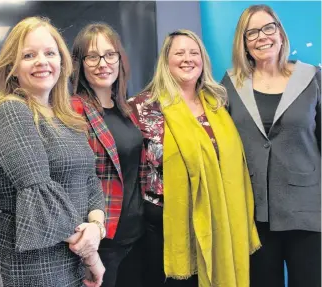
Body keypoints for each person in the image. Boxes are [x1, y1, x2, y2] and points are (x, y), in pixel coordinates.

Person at [128, 30, 261, 287]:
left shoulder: (218, 103)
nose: (187, 59)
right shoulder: (143, 107)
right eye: (179, 53)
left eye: (194, 52)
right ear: (165, 62)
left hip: (220, 218)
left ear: (203, 59)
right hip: (170, 225)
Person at [0, 16, 106, 287]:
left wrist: (97, 226)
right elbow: (40, 196)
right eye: (28, 55)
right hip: (36, 266)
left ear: (62, 61)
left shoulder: (67, 117)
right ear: (12, 67)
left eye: (50, 53)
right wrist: (91, 254)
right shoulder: (11, 111)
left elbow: (89, 181)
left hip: (74, 258)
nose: (42, 61)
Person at [221, 4, 321, 287]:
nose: (262, 37)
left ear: (280, 32)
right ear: (243, 42)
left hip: (307, 212)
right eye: (251, 32)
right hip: (253, 212)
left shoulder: (311, 77)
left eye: (268, 28)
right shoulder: (230, 83)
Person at [70, 23, 147, 287]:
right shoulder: (74, 111)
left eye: (109, 54)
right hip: (103, 242)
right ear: (80, 64)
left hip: (137, 235)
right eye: (93, 56)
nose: (103, 63)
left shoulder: (127, 109)